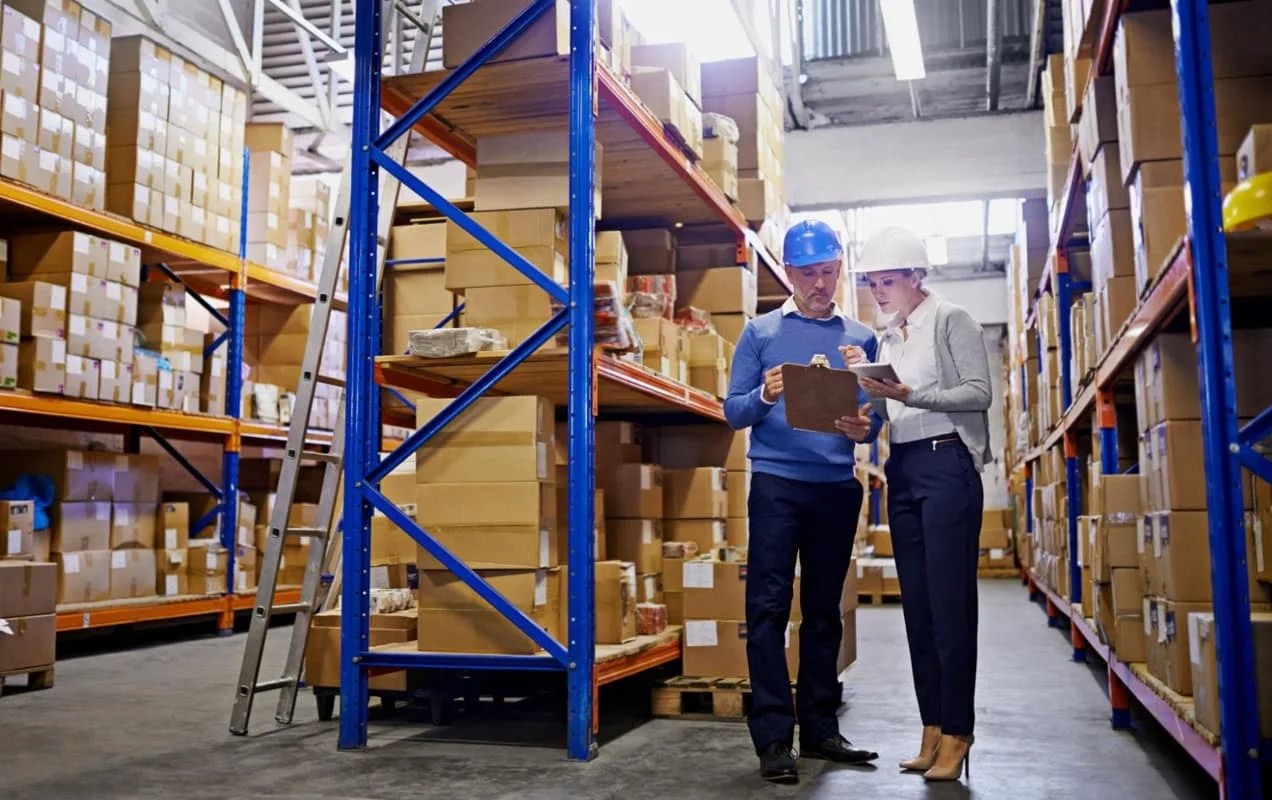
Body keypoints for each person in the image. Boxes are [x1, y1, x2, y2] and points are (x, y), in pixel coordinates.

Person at [724, 219, 881, 785]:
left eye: (829, 272)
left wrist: (864, 428)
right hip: (776, 485)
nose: (821, 283)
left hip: (835, 486)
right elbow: (733, 411)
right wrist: (764, 394)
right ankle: (773, 738)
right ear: (789, 274)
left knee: (823, 613)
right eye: (810, 274)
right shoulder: (760, 334)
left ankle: (819, 727)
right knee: (766, 610)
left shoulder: (860, 338)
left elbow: (875, 419)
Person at [846, 226, 992, 784]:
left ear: (916, 277)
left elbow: (978, 392)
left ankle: (958, 731)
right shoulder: (888, 339)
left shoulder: (951, 320)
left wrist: (909, 394)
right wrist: (862, 424)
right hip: (903, 468)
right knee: (920, 611)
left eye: (888, 282)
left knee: (952, 607)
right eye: (873, 283)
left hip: (948, 464)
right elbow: (888, 413)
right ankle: (932, 726)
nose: (879, 292)